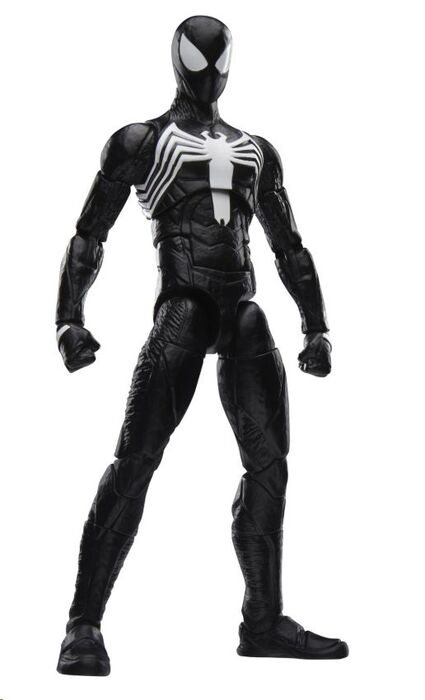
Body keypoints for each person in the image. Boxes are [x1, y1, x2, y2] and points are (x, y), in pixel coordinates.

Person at [55, 14, 348, 675]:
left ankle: (263, 621)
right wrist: (68, 318)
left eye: (217, 62)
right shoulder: (143, 141)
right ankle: (82, 624)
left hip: (241, 312)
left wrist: (315, 325)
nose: (209, 73)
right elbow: (89, 233)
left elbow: (287, 244)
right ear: (178, 61)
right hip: (183, 307)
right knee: (136, 461)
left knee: (270, 466)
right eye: (199, 60)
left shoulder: (255, 150)